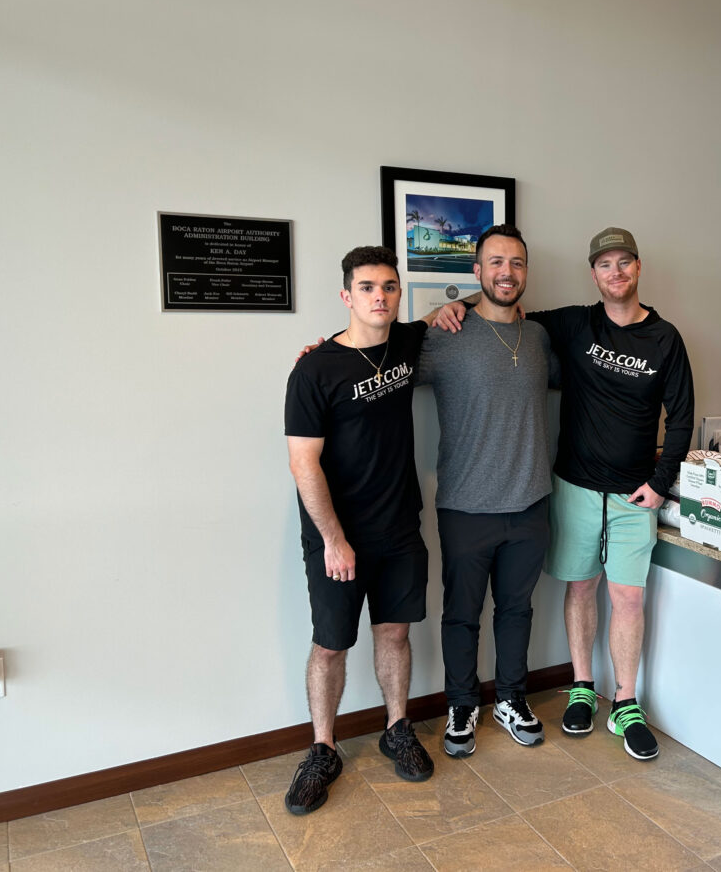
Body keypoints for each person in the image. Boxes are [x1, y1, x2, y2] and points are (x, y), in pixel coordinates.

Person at [435, 226, 694, 761]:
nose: (615, 272)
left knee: (628, 597)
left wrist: (660, 482)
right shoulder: (572, 323)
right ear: (593, 273)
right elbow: (502, 311)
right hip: (572, 485)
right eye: (605, 264)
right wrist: (448, 308)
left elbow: (683, 416)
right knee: (579, 589)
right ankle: (581, 689)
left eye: (624, 262)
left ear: (638, 268)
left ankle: (626, 702)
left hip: (634, 495)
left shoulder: (665, 338)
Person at [283, 246, 434, 815]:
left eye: (390, 287)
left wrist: (466, 302)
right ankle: (323, 749)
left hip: (399, 528)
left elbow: (463, 307)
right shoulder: (314, 369)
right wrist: (334, 539)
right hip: (336, 536)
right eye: (367, 287)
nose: (380, 296)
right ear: (347, 295)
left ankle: (397, 728)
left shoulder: (408, 342)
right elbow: (303, 463)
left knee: (394, 633)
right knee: (330, 645)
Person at [419, 223, 557, 758]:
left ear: (526, 272)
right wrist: (323, 351)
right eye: (496, 262)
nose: (507, 272)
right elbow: (381, 358)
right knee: (461, 614)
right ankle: (462, 704)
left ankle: (511, 698)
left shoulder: (539, 337)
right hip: (465, 505)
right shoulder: (444, 336)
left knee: (517, 610)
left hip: (530, 503)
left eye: (516, 263)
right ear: (477, 272)